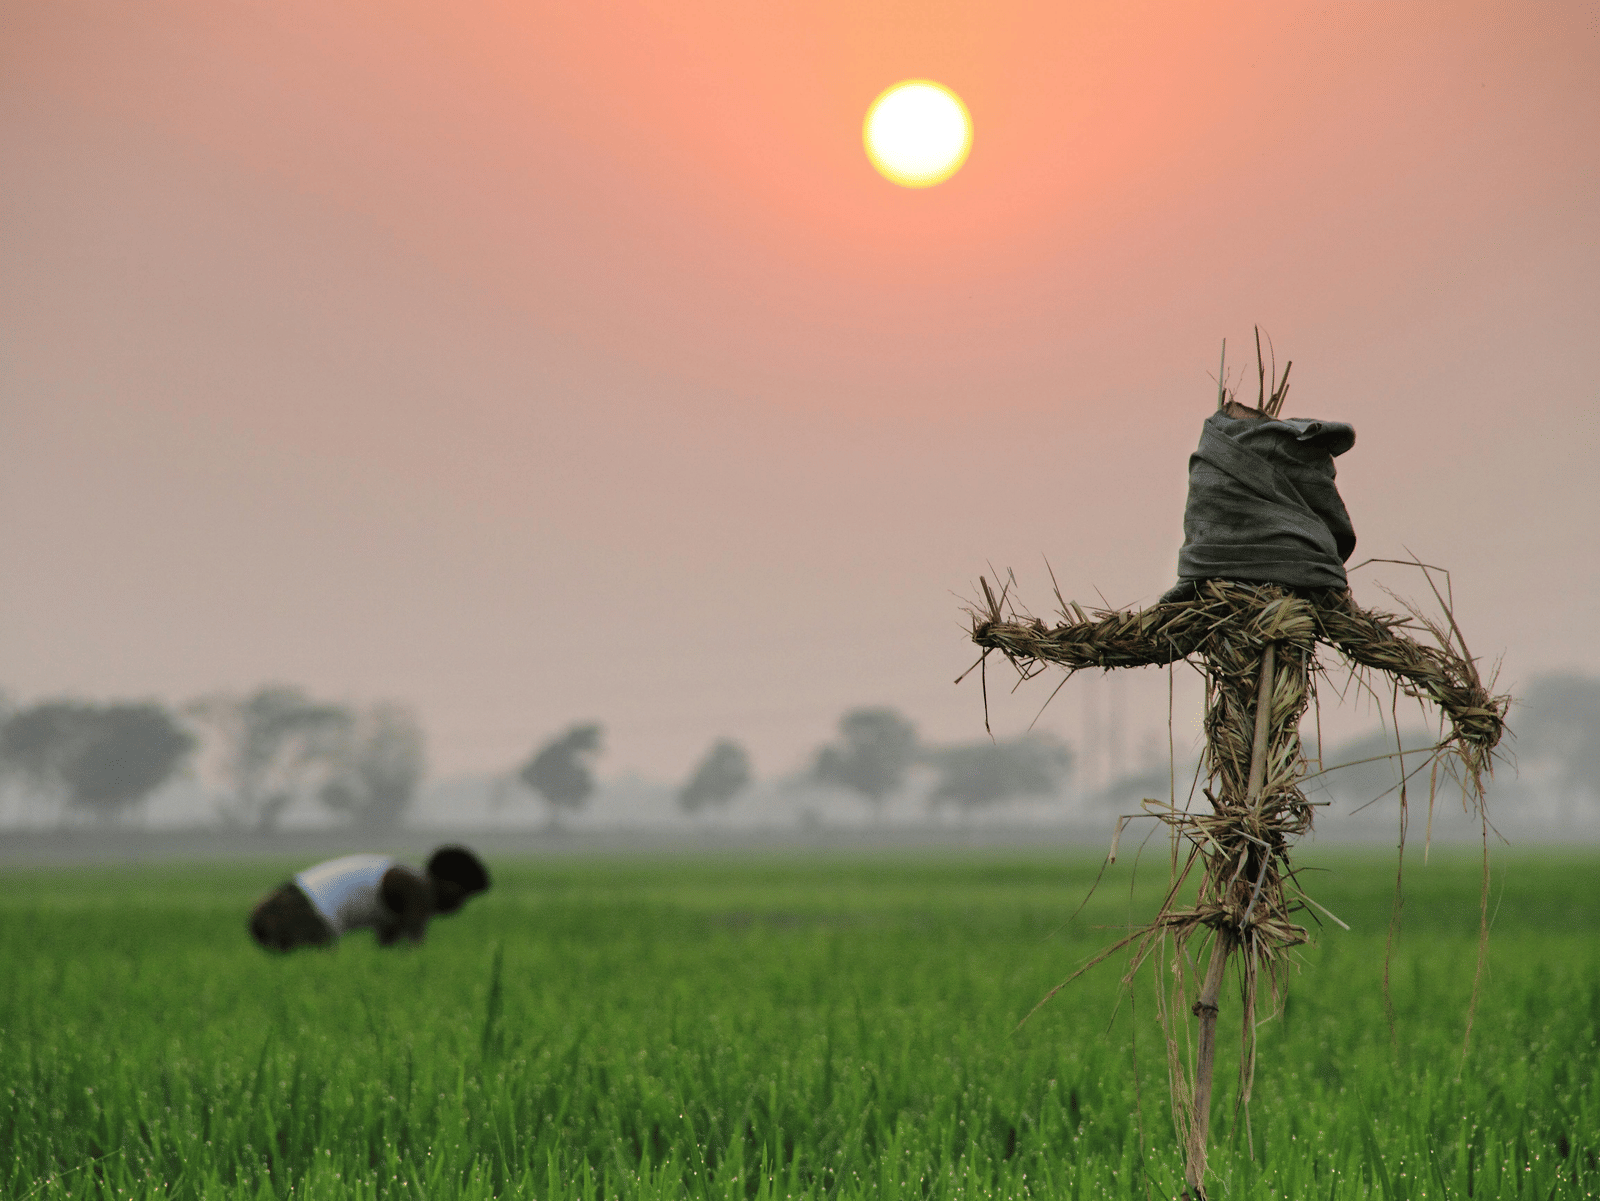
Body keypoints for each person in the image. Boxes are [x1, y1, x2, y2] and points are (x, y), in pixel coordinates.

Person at [248, 845, 490, 951]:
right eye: (462, 895)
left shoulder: (403, 881)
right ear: (446, 883)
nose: (459, 906)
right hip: (296, 913)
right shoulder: (418, 890)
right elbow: (408, 949)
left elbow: (389, 945)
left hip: (276, 907)